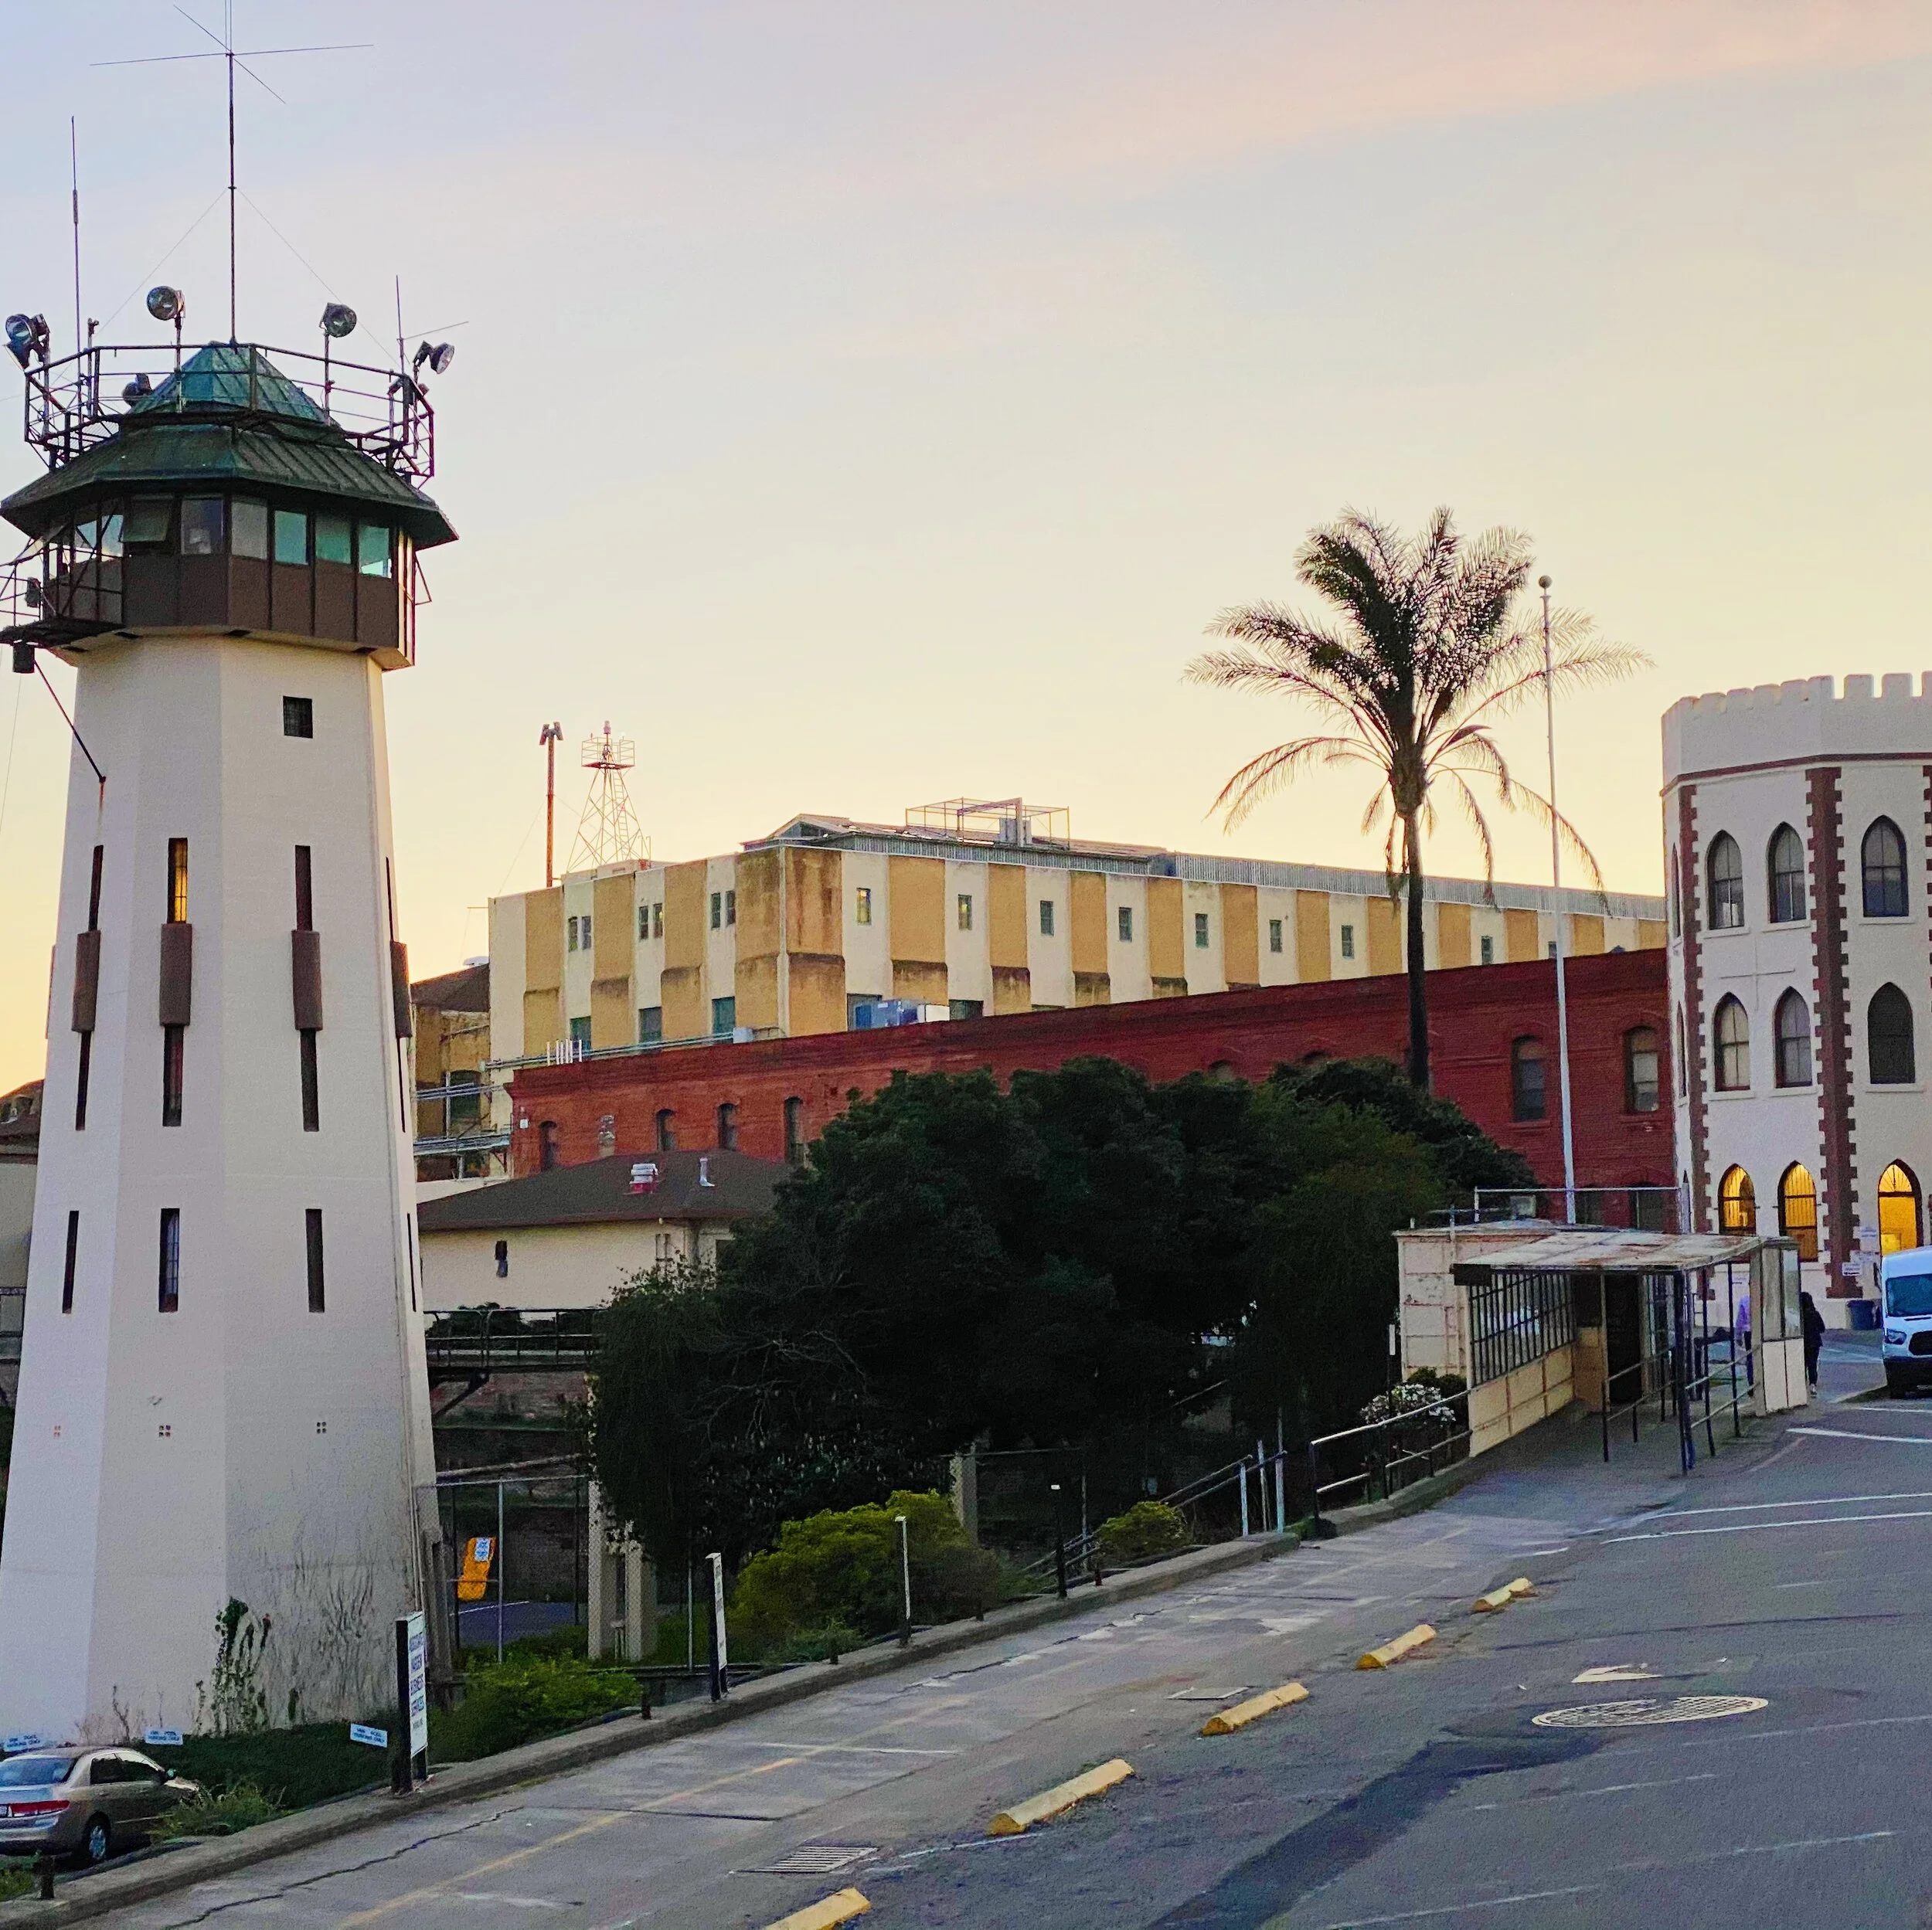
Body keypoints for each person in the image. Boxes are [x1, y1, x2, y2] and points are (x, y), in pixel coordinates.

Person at [1801, 1289, 1825, 1395]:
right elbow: (1822, 1328)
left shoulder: (1799, 1316)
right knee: (1813, 1364)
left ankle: (1803, 1384)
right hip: (1815, 1342)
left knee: (1803, 1364)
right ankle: (1812, 1384)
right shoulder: (1815, 1314)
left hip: (1803, 1342)